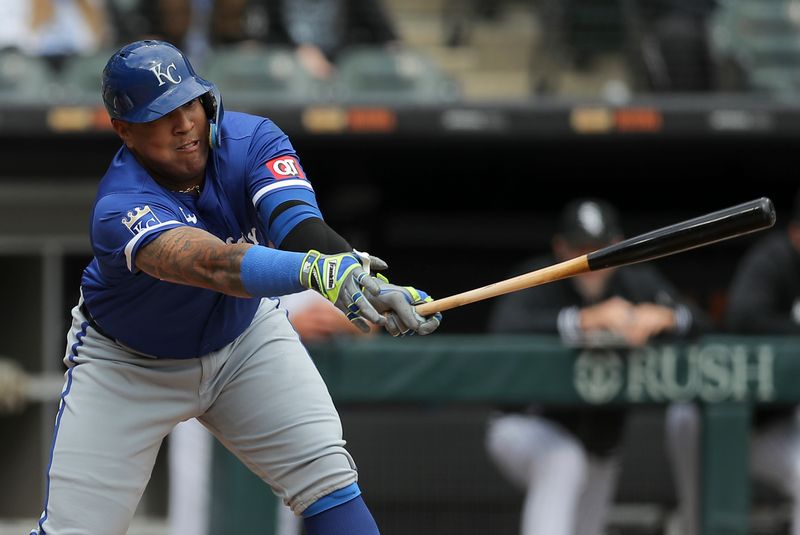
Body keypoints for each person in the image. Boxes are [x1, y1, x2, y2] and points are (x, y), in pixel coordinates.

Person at [29, 39, 440, 535]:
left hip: (244, 341)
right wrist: (317, 274)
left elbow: (298, 226)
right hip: (128, 365)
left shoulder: (252, 139)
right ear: (125, 130)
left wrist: (363, 280)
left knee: (329, 484)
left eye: (189, 103)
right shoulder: (119, 206)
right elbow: (213, 265)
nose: (184, 124)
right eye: (161, 114)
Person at [484, 197, 711, 535]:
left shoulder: (637, 282)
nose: (591, 259)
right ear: (561, 248)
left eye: (600, 248)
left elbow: (702, 323)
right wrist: (581, 321)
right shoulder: (540, 277)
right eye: (580, 249)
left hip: (602, 443)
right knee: (563, 461)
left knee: (586, 516)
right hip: (525, 424)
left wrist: (668, 317)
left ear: (617, 246)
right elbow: (504, 328)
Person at [168, 290, 376, 535]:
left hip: (274, 404)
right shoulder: (203, 269)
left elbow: (371, 322)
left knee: (314, 491)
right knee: (197, 511)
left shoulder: (292, 268)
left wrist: (337, 320)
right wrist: (288, 322)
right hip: (201, 409)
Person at [666, 191, 800, 535]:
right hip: (708, 415)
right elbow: (744, 316)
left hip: (768, 426)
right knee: (699, 517)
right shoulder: (774, 260)